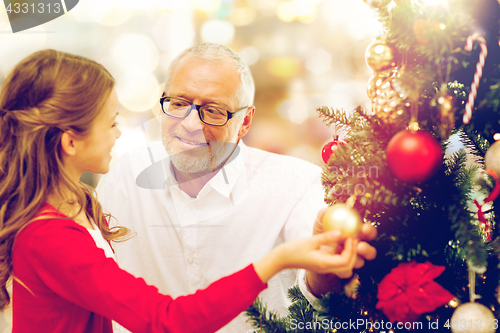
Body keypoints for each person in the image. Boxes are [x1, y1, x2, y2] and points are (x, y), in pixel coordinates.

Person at [0, 49, 369, 333]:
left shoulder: (74, 203)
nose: (190, 124)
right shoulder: (101, 192)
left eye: (212, 111)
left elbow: (320, 287)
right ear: (70, 142)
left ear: (245, 122)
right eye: (177, 104)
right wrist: (276, 260)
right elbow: (166, 320)